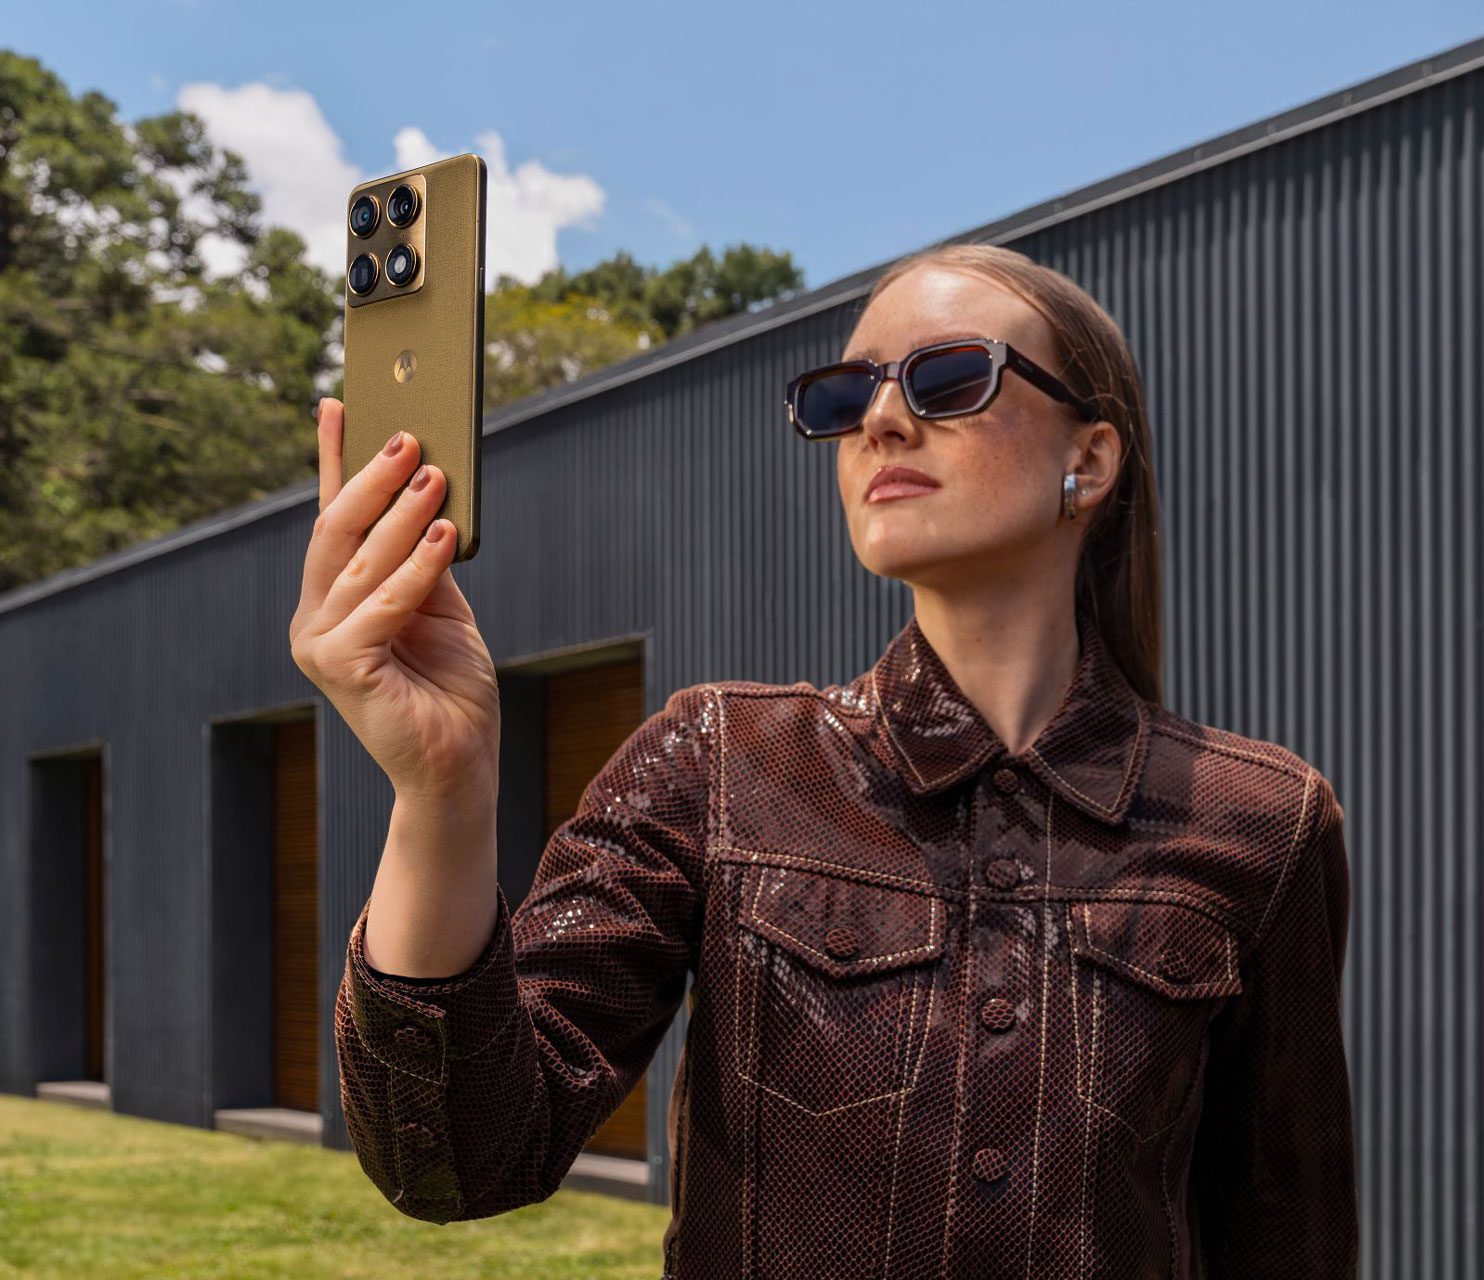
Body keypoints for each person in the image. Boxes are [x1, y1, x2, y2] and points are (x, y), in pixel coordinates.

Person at [292, 241, 1357, 1278]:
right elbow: (460, 1153)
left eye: (948, 378)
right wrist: (441, 790)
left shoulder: (1264, 823)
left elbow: (1288, 1241)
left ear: (1091, 457)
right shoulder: (718, 763)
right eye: (848, 397)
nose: (882, 419)